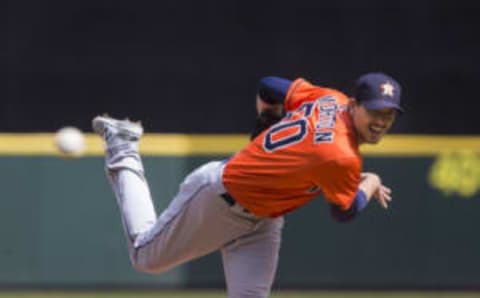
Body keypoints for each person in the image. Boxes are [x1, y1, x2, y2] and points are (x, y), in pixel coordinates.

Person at [92, 72, 403, 298]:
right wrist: (371, 181)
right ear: (353, 105)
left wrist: (266, 122)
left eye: (389, 115)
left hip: (264, 218)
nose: (381, 122)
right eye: (374, 111)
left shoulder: (329, 99)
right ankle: (123, 148)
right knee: (146, 257)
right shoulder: (341, 156)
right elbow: (344, 212)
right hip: (218, 200)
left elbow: (269, 86)